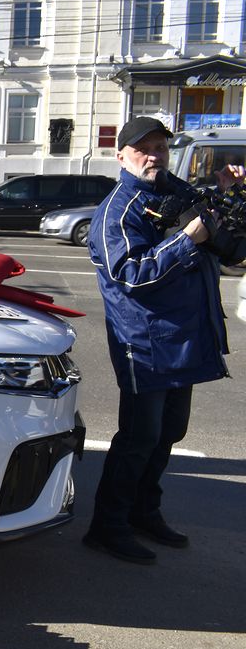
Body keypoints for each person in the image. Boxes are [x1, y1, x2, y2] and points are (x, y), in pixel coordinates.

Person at [85, 116, 246, 564]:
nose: (154, 155)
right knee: (140, 435)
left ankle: (143, 511)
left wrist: (223, 192)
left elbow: (209, 218)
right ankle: (108, 525)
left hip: (183, 336)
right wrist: (187, 241)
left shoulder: (171, 190)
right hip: (145, 342)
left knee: (169, 432)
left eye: (160, 147)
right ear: (121, 157)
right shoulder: (118, 209)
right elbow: (130, 274)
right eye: (143, 148)